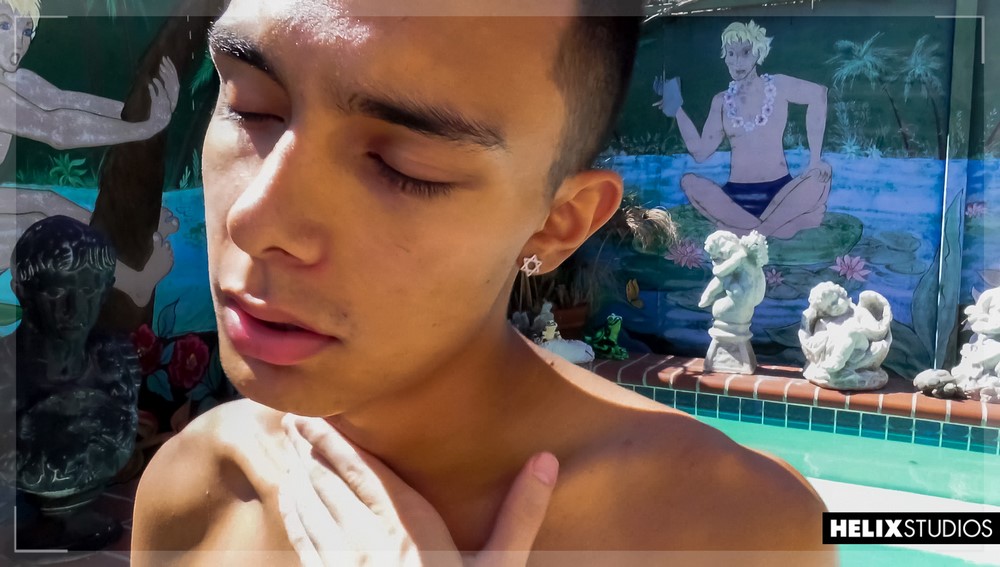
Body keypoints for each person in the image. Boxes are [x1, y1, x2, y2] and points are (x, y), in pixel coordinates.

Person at [131, 1, 835, 565]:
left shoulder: (738, 528)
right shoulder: (194, 489)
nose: (255, 219)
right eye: (248, 106)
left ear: (558, 224)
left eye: (403, 166)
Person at [0, 0, 180, 307]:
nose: (19, 40)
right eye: (5, 25)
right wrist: (145, 128)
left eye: (27, 30)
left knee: (47, 201)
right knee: (31, 224)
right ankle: (133, 283)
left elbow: (62, 101)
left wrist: (146, 114)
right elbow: (56, 129)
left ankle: (124, 238)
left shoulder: (14, 79)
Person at [655, 20, 832, 240]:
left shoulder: (778, 85)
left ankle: (748, 231)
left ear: (758, 53)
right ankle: (779, 228)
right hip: (735, 199)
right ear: (725, 57)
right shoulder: (721, 101)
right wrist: (677, 109)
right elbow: (700, 152)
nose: (737, 61)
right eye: (731, 53)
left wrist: (815, 160)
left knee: (821, 176)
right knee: (689, 182)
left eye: (745, 52)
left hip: (782, 193)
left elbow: (818, 94)